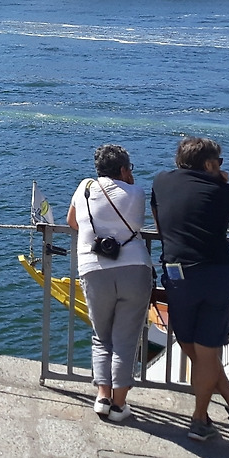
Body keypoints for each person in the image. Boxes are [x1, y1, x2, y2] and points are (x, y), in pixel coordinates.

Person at [151, 136, 229, 444]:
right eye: (219, 162)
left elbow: (161, 226)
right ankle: (226, 408)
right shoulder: (227, 193)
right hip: (219, 274)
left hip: (179, 274)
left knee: (191, 346)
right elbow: (218, 223)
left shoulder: (160, 181)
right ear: (210, 163)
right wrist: (221, 181)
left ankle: (212, 414)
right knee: (206, 351)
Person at [66, 144, 152, 423]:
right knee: (125, 340)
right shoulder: (136, 192)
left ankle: (102, 397)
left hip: (94, 269)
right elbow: (137, 222)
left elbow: (72, 221)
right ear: (125, 170)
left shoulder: (85, 188)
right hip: (134, 269)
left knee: (101, 335)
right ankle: (119, 404)